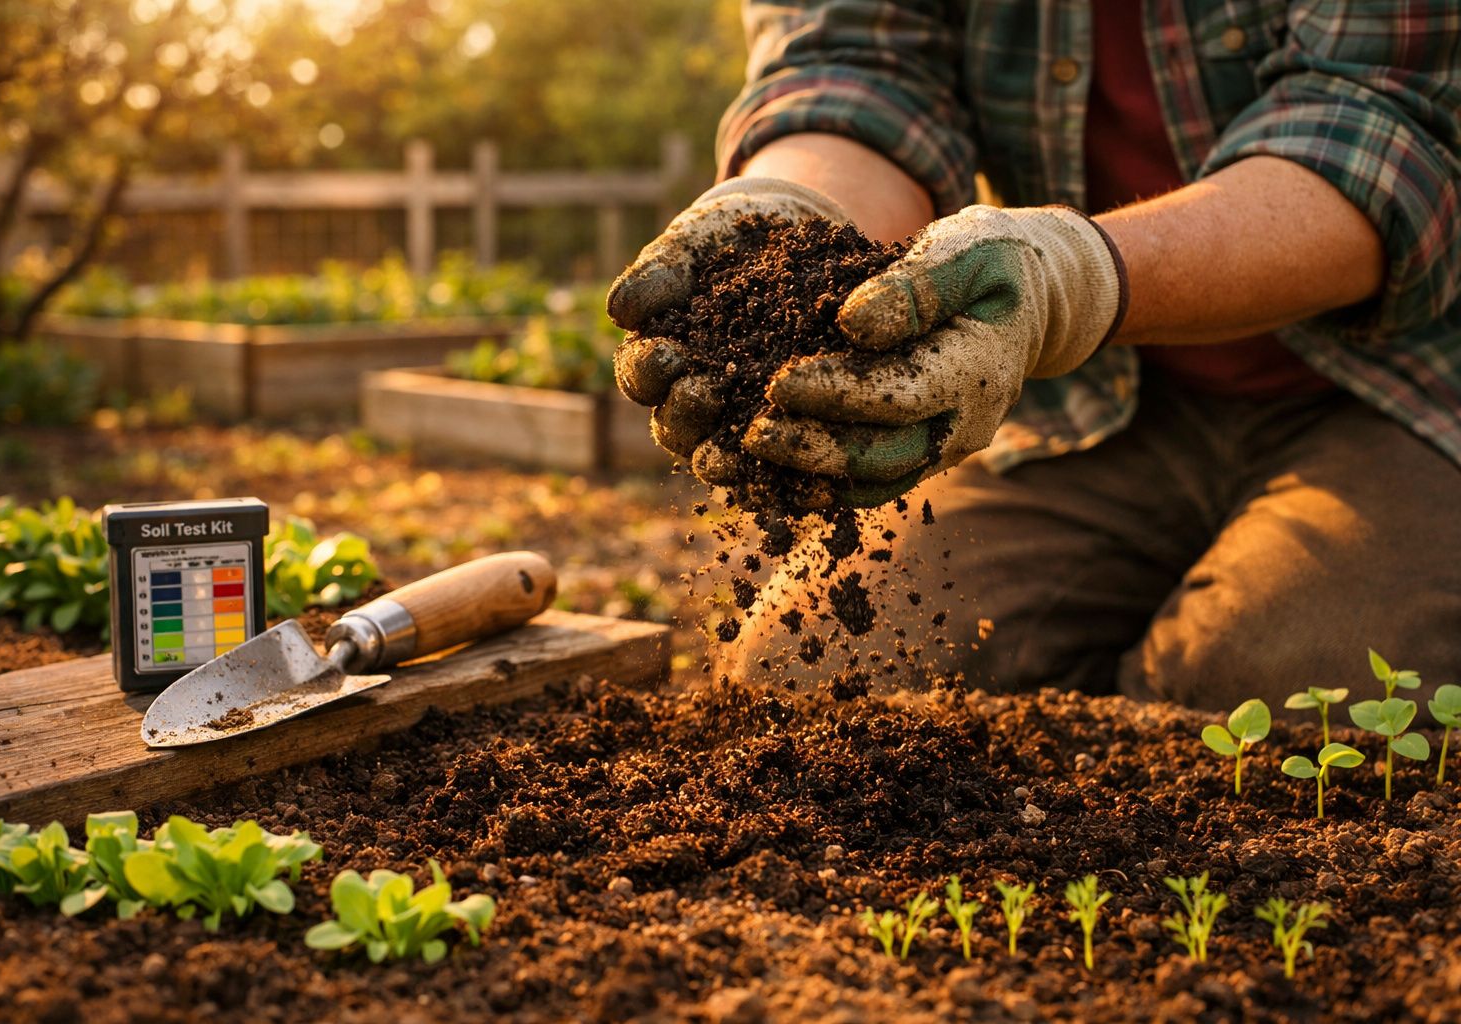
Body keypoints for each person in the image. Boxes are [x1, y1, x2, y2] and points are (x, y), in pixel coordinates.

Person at [606, 1, 1461, 710]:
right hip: (1092, 400)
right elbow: (858, 70)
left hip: (1400, 387)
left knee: (1282, 693)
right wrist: (779, 210)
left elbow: (1383, 132)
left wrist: (1071, 279)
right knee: (809, 677)